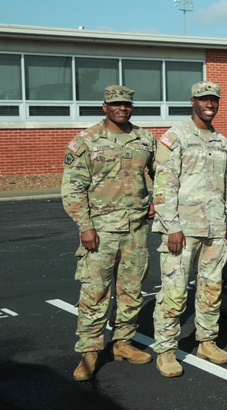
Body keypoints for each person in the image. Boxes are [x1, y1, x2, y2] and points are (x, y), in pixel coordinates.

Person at [62, 85, 157, 381]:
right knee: (95, 292)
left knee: (130, 291)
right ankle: (89, 352)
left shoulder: (145, 139)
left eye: (126, 104)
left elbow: (159, 174)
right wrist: (85, 225)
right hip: (101, 231)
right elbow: (73, 186)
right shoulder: (87, 141)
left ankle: (123, 343)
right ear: (104, 107)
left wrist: (154, 197)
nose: (122, 108)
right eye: (115, 104)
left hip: (136, 229)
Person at [152, 80, 227, 378]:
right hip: (183, 232)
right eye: (204, 99)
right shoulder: (175, 138)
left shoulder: (222, 142)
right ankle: (165, 350)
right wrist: (171, 227)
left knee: (211, 289)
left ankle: (207, 341)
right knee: (174, 292)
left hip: (214, 230)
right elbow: (163, 186)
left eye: (214, 99)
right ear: (193, 101)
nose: (209, 104)